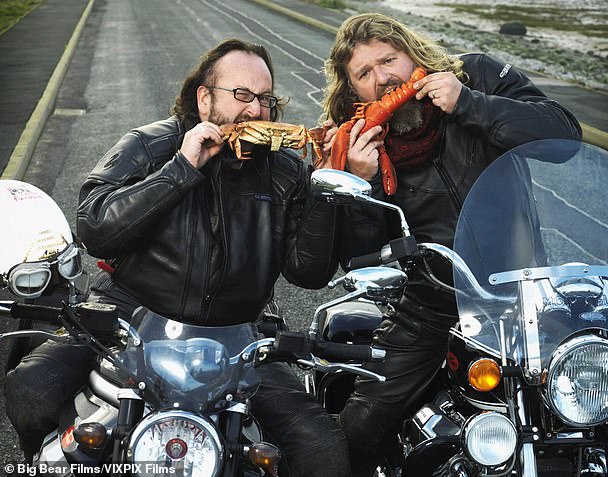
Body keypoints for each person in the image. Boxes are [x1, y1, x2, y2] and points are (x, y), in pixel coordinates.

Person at [5, 38, 350, 476]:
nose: (256, 111)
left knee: (322, 447)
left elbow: (309, 271)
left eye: (265, 99)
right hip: (128, 322)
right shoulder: (150, 146)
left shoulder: (285, 170)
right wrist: (181, 169)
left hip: (237, 338)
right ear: (204, 98)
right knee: (30, 389)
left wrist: (325, 189)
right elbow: (97, 228)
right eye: (242, 95)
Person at [321, 13, 582, 475]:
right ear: (353, 92)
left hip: (525, 294)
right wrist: (356, 184)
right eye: (365, 74)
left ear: (412, 56)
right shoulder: (354, 143)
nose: (384, 79)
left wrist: (471, 104)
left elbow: (564, 136)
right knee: (357, 427)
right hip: (429, 309)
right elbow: (353, 258)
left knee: (603, 391)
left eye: (389, 60)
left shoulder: (473, 76)